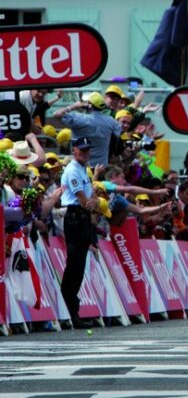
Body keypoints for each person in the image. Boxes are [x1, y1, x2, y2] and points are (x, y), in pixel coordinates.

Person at [60, 137, 99, 329]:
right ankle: (69, 310)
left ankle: (73, 310)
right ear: (74, 150)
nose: (85, 153)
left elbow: (94, 200)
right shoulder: (73, 170)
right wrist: (93, 203)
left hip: (82, 217)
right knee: (74, 265)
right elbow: (86, 201)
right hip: (75, 215)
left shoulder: (84, 169)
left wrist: (94, 203)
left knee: (79, 265)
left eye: (87, 150)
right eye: (82, 150)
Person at [53, 92, 121, 167]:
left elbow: (57, 114)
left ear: (89, 105)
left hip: (80, 167)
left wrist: (73, 106)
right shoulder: (111, 121)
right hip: (101, 168)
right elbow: (120, 130)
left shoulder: (79, 118)